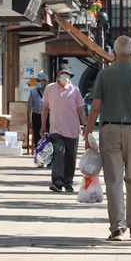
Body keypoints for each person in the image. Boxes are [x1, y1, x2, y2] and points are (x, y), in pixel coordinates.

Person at [83, 36, 131, 241]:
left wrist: (88, 134)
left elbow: (95, 108)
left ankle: (117, 229)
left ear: (113, 53)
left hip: (109, 131)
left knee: (113, 181)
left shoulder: (104, 75)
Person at [40, 64, 87, 192]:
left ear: (70, 76)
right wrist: (43, 126)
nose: (65, 76)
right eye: (63, 73)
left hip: (72, 130)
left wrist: (85, 125)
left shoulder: (75, 90)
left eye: (68, 74)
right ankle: (57, 182)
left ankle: (68, 182)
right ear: (58, 75)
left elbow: (81, 110)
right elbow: (44, 108)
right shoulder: (50, 88)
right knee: (58, 152)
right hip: (56, 129)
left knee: (71, 157)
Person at [28, 72, 49, 152]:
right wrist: (29, 120)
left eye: (39, 80)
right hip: (36, 116)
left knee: (47, 136)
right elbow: (29, 106)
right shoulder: (33, 92)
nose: (37, 82)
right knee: (37, 137)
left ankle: (48, 156)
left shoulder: (49, 91)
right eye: (37, 80)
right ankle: (39, 155)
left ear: (44, 81)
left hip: (47, 116)